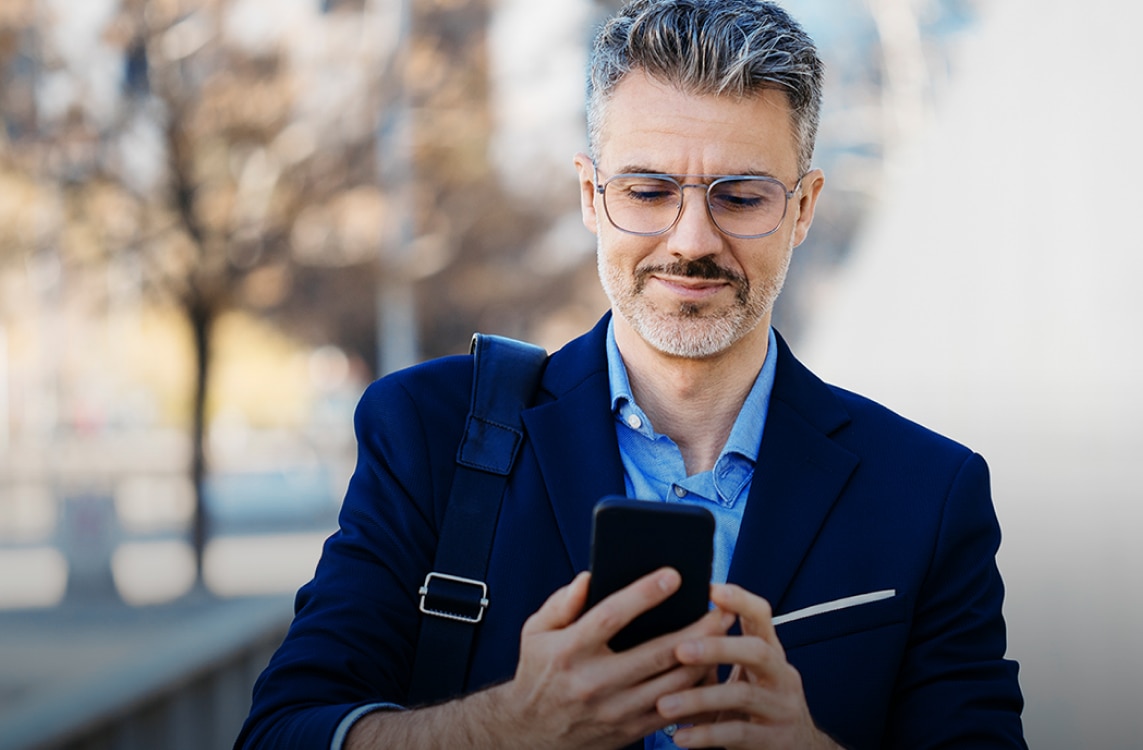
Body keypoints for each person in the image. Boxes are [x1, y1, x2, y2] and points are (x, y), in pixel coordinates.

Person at [237, 0, 1026, 747]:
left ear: (804, 207)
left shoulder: (929, 493)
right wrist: (508, 731)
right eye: (648, 191)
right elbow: (280, 733)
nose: (691, 240)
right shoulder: (428, 435)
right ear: (591, 194)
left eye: (741, 197)